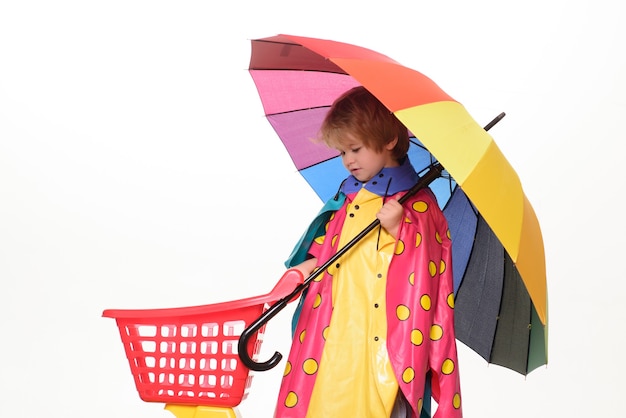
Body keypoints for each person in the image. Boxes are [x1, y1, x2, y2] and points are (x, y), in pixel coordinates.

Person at [274, 86, 462, 418]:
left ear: (389, 140)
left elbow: (429, 275)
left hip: (383, 347)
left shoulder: (418, 206)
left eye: (355, 149)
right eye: (342, 152)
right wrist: (304, 270)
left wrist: (399, 230)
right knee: (323, 404)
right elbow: (331, 252)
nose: (348, 161)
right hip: (335, 337)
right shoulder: (349, 198)